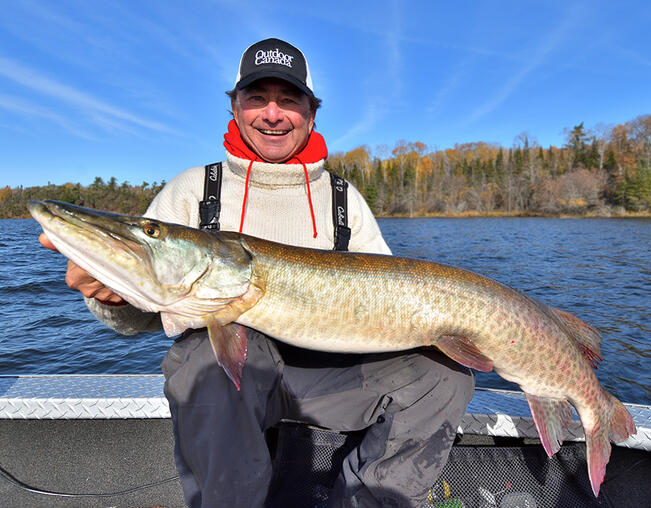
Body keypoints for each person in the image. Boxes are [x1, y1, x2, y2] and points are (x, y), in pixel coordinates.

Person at [40, 38, 474, 507]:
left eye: (289, 100)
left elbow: (386, 301)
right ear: (236, 106)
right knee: (203, 363)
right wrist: (111, 296)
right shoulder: (192, 191)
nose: (272, 114)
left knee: (445, 372)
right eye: (257, 99)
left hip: (329, 381)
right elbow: (142, 314)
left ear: (311, 113)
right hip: (233, 379)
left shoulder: (344, 200)